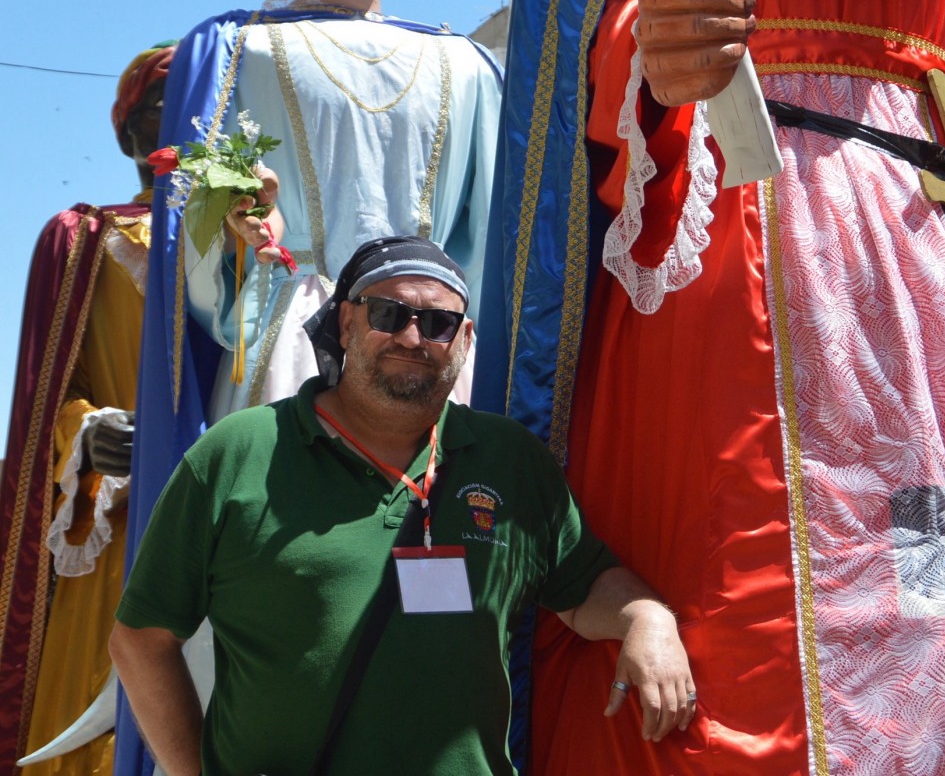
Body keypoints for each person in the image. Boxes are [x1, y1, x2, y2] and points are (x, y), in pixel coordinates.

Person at [475, 0, 945, 772]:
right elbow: (604, 38)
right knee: (737, 564)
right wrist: (651, 46)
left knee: (930, 543)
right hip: (724, 238)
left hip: (913, 267)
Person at [109, 235, 694, 775]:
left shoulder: (509, 459)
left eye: (439, 323)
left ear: (464, 341)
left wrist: (649, 619)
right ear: (345, 321)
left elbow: (582, 586)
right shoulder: (238, 452)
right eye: (388, 315)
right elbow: (141, 641)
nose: (413, 338)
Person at [122, 0, 501, 770]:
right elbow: (196, 260)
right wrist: (239, 239)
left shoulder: (466, 67)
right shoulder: (236, 49)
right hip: (283, 348)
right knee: (273, 588)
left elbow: (495, 248)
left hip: (424, 356)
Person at [0, 42, 176, 774]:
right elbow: (44, 396)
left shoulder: (260, 247)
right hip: (111, 522)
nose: (188, 127)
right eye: (166, 111)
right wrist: (89, 431)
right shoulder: (84, 238)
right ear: (131, 134)